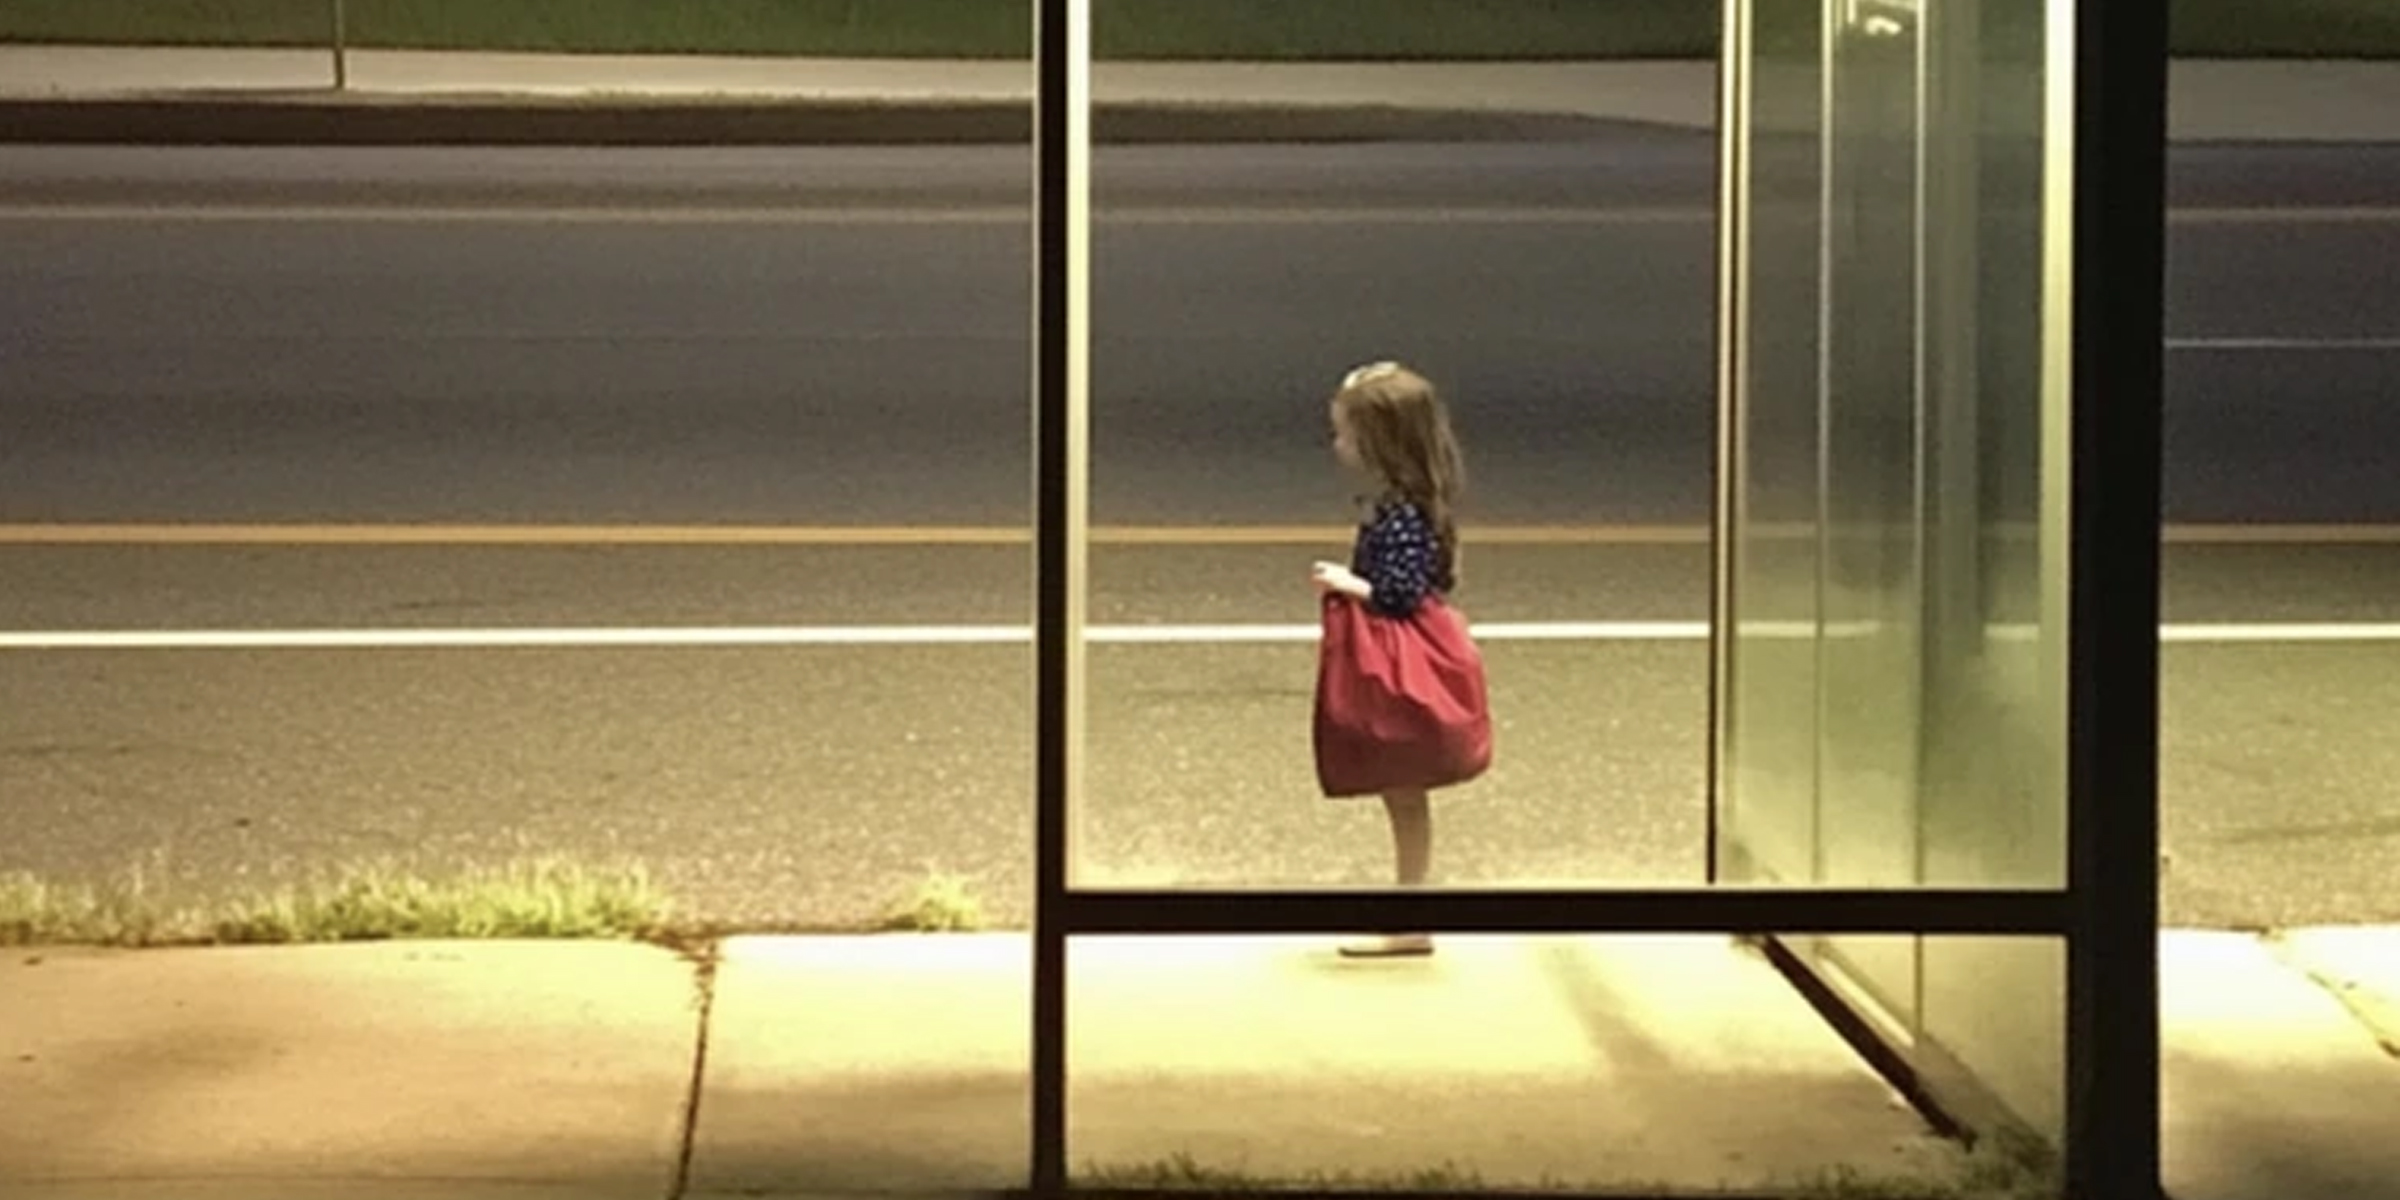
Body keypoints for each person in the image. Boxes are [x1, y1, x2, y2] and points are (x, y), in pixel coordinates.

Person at [1311, 360, 1470, 959]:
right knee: (1403, 794)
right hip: (1399, 647)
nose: (1338, 444)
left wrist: (1344, 581)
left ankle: (1411, 914)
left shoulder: (1402, 515)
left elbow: (1398, 593)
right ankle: (1410, 907)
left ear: (1380, 442)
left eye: (1347, 433)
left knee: (1403, 789)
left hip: (1396, 657)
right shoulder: (1411, 504)